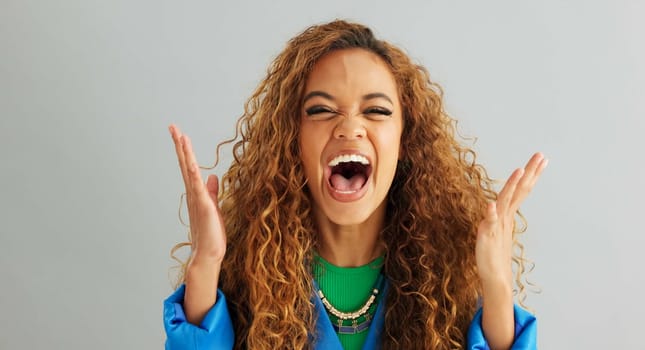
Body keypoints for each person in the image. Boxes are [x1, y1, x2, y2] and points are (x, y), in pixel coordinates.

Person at [163, 20, 547, 350]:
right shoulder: (246, 276)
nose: (349, 127)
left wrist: (496, 283)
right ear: (291, 141)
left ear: (405, 141)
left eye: (376, 111)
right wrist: (206, 263)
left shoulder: (447, 280)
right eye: (321, 110)